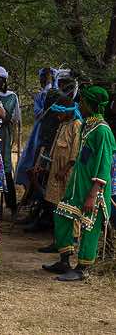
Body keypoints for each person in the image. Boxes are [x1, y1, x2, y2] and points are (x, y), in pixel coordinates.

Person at [43, 85, 116, 281]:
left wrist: (93, 193)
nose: (79, 105)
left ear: (91, 105)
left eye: (82, 102)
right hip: (77, 187)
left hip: (94, 191)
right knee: (62, 216)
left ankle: (83, 267)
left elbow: (104, 164)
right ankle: (64, 260)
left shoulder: (103, 131)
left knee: (89, 228)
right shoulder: (87, 125)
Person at [37, 96, 82, 253]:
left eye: (60, 114)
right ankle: (59, 241)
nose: (58, 116)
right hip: (57, 173)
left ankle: (72, 240)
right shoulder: (63, 125)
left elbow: (75, 154)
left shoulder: (76, 125)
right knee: (57, 206)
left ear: (69, 112)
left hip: (67, 175)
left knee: (69, 206)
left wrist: (64, 170)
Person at [0, 66, 21, 216]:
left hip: (3, 139)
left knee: (6, 168)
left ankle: (12, 205)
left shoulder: (11, 96)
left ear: (4, 81)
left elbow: (11, 118)